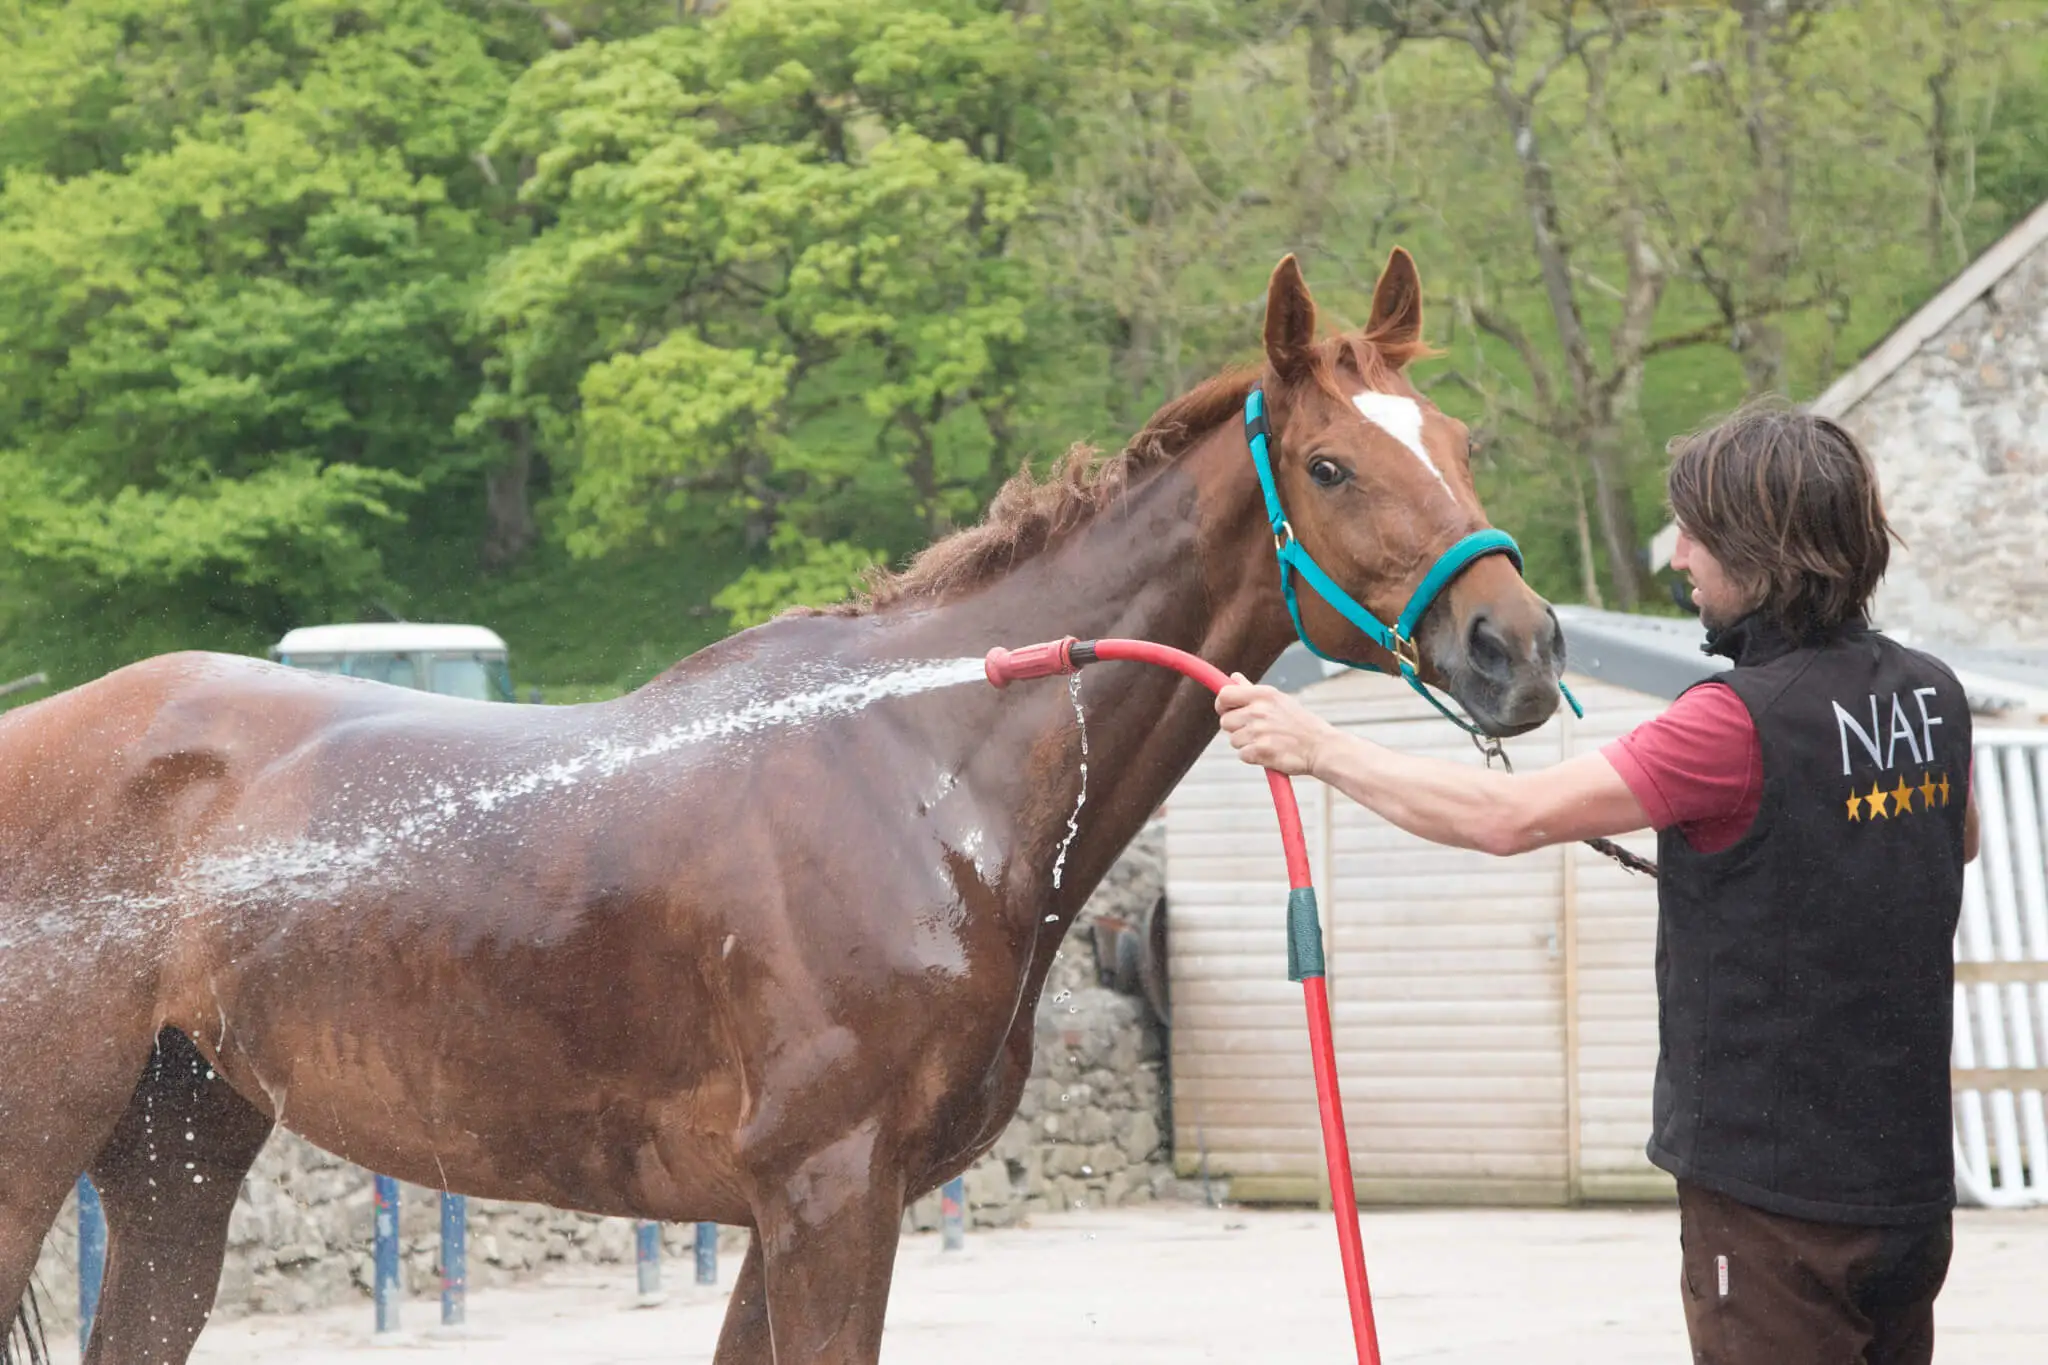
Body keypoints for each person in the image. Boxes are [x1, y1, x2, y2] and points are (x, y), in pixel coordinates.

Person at [1216, 405, 1981, 1365]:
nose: (1680, 558)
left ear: (1759, 550)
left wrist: (1317, 745)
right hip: (1908, 1189)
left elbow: (1506, 817)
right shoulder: (1933, 693)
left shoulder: (1730, 723)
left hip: (1772, 1202)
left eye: (1697, 534)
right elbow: (1950, 842)